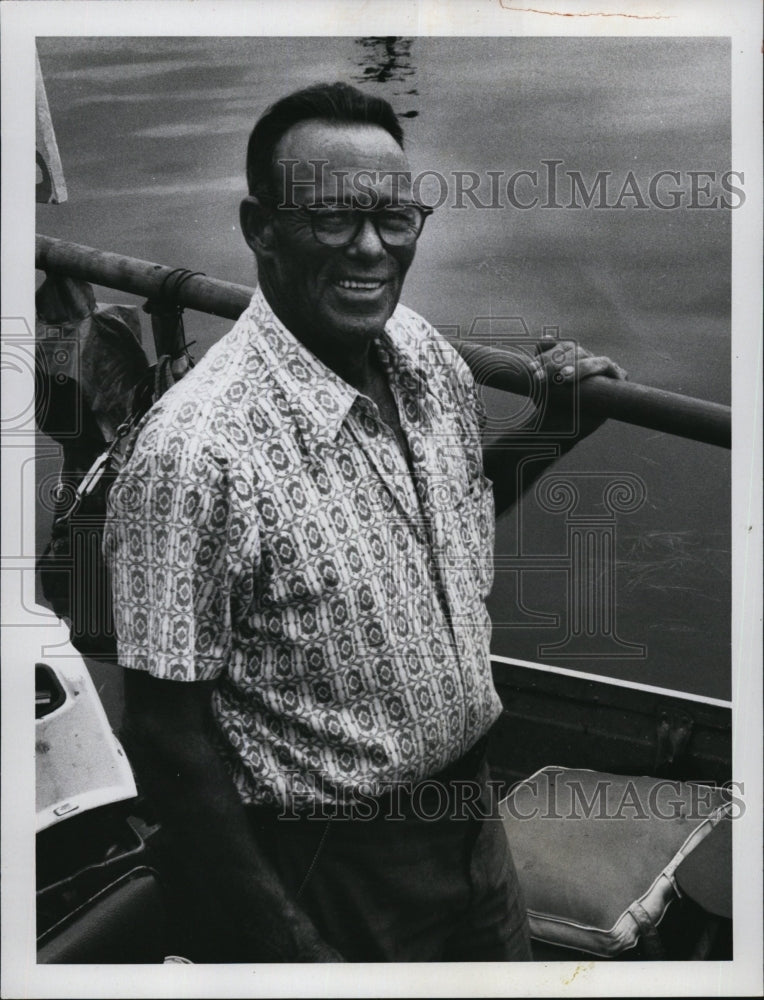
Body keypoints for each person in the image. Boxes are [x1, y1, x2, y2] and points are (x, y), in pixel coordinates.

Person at [104, 81, 627, 963]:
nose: (371, 247)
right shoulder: (195, 454)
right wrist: (288, 944)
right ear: (260, 228)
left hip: (471, 824)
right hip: (327, 865)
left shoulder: (419, 352)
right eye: (332, 217)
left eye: (395, 217)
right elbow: (164, 733)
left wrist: (558, 427)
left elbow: (450, 514)